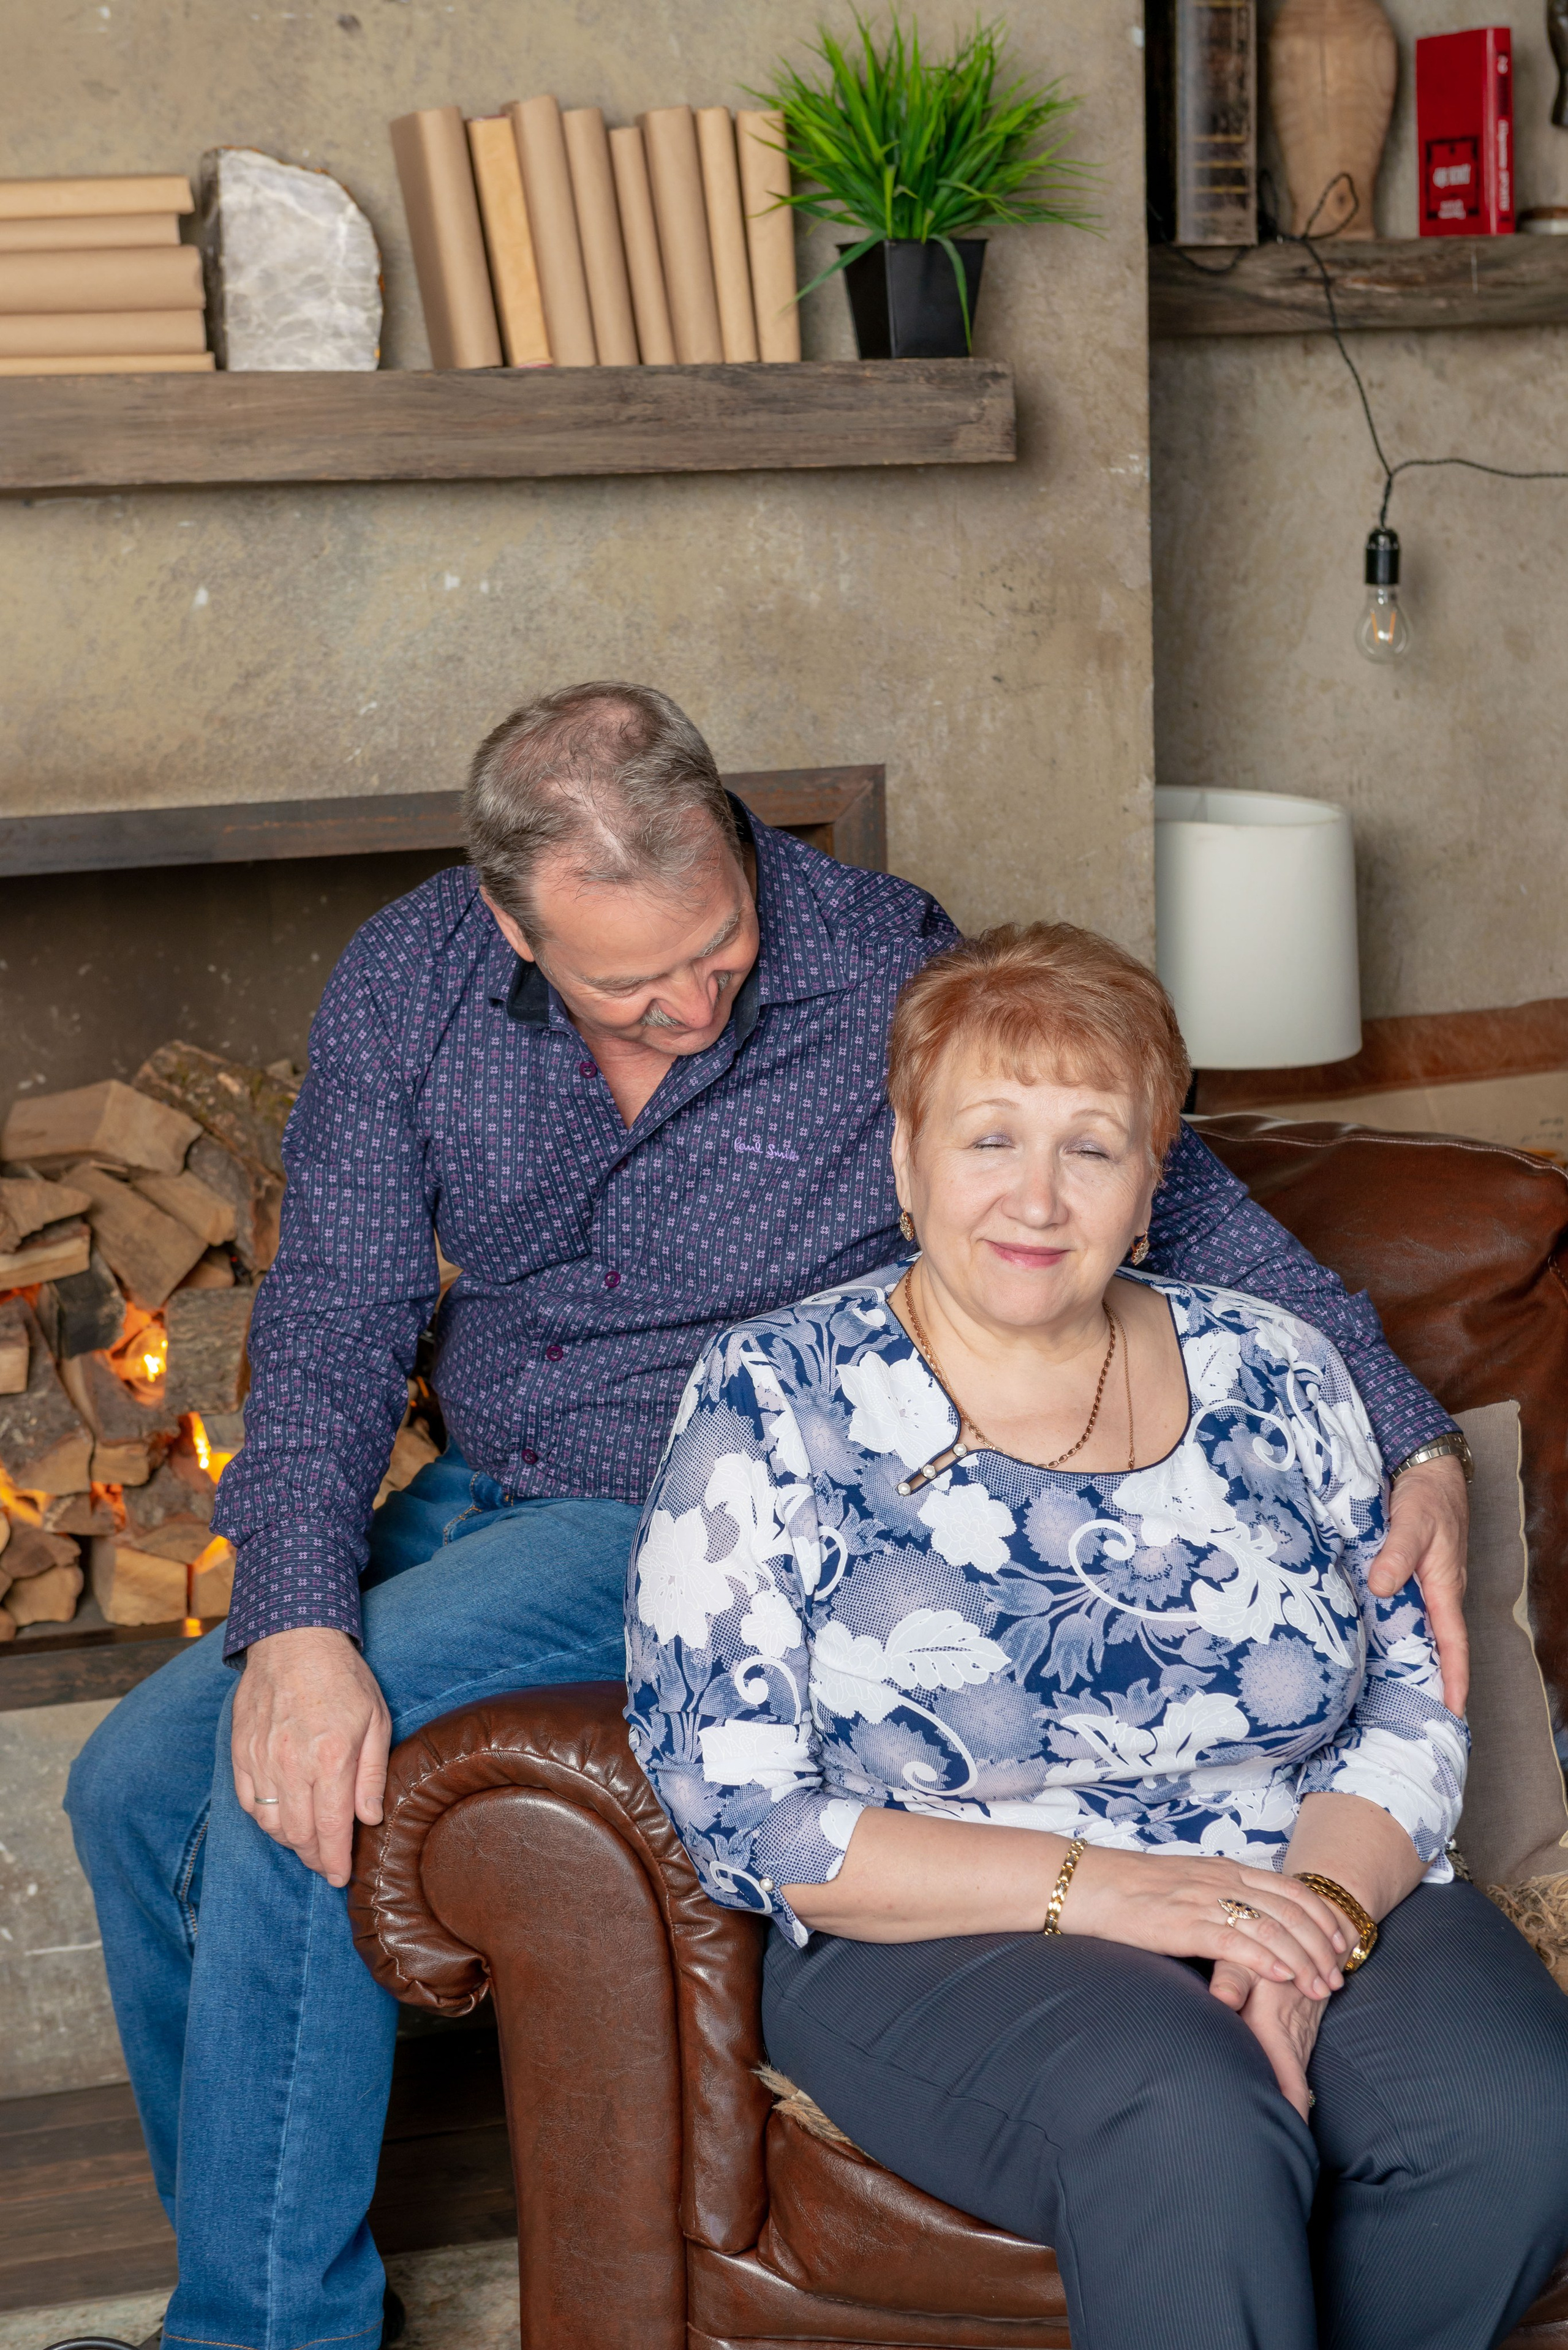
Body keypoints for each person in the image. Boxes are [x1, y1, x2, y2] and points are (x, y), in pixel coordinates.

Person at [67, 685, 1471, 2350]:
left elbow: (1184, 1197)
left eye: (715, 950)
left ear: (734, 842)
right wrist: (297, 1613)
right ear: (511, 919)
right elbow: (334, 1315)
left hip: (684, 1502)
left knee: (301, 1775)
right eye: (628, 978)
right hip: (475, 1481)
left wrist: (1416, 1435)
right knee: (134, 1780)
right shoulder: (406, 976)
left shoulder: (875, 949)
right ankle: (253, 2259)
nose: (685, 999)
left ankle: (262, 2333)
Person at [625, 922, 1568, 2350]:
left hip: (1299, 1866)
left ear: (1147, 1186)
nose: (1035, 1194)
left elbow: (1403, 1692)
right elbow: (745, 1810)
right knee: (1191, 2114)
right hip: (943, 1920)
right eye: (988, 1136)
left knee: (1524, 2120)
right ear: (905, 1162)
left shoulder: (1276, 1365)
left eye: (1090, 1145)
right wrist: (1128, 1895)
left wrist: (1306, 1919)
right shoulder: (772, 1399)